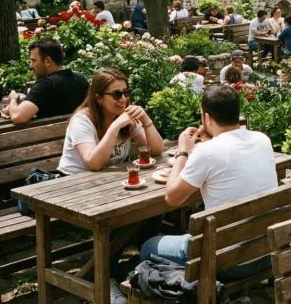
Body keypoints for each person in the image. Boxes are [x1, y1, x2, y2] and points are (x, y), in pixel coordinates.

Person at [141, 85, 276, 291]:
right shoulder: (262, 139)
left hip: (231, 262)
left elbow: (172, 197)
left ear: (206, 117)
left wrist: (183, 151)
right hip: (267, 252)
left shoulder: (207, 151)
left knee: (148, 246)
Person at [57, 69, 164, 175]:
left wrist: (146, 121)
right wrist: (115, 126)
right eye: (116, 94)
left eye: (126, 92)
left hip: (107, 180)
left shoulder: (127, 115)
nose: (123, 99)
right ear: (99, 98)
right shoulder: (81, 121)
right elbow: (94, 163)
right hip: (73, 181)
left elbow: (156, 151)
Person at [5, 38, 89, 123]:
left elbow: (17, 116)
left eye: (34, 60)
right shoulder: (81, 79)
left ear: (48, 61)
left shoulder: (45, 85)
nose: (31, 65)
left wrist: (13, 98)